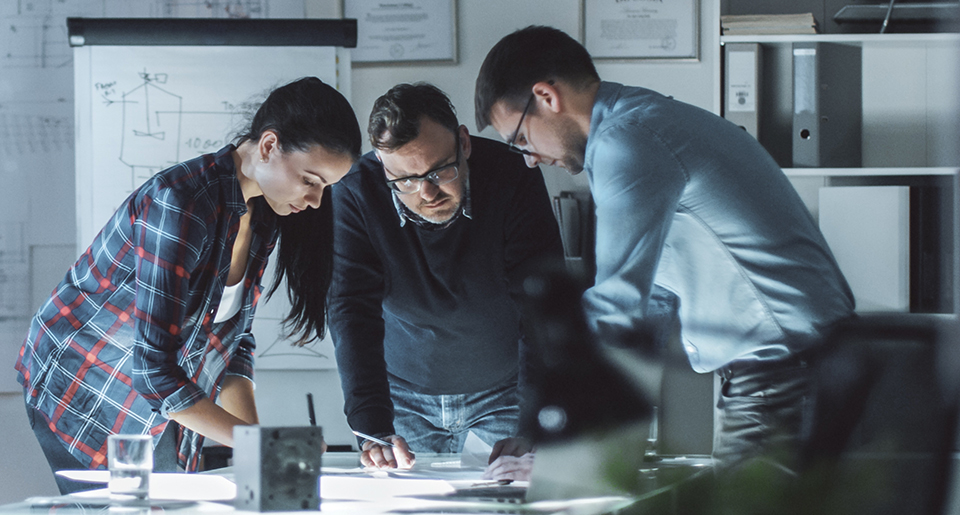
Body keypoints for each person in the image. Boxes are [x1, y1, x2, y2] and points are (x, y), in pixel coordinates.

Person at [474, 26, 856, 479]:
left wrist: (567, 451)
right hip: (798, 366)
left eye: (520, 138)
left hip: (780, 372)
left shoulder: (626, 140)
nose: (529, 158)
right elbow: (651, 299)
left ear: (546, 96)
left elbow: (616, 303)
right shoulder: (647, 121)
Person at [15, 77, 362, 493]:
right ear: (269, 146)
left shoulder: (264, 213)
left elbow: (232, 342)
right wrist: (262, 446)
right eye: (310, 180)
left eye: (325, 188)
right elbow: (153, 372)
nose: (316, 201)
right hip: (85, 384)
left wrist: (259, 443)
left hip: (157, 396)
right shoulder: (180, 203)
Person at [327, 83, 563, 469]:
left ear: (464, 143)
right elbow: (351, 309)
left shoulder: (512, 174)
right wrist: (370, 425)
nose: (426, 192)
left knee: (511, 496)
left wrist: (534, 420)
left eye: (440, 171)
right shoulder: (355, 190)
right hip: (402, 398)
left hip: (504, 393)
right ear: (383, 166)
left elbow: (541, 304)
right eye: (405, 181)